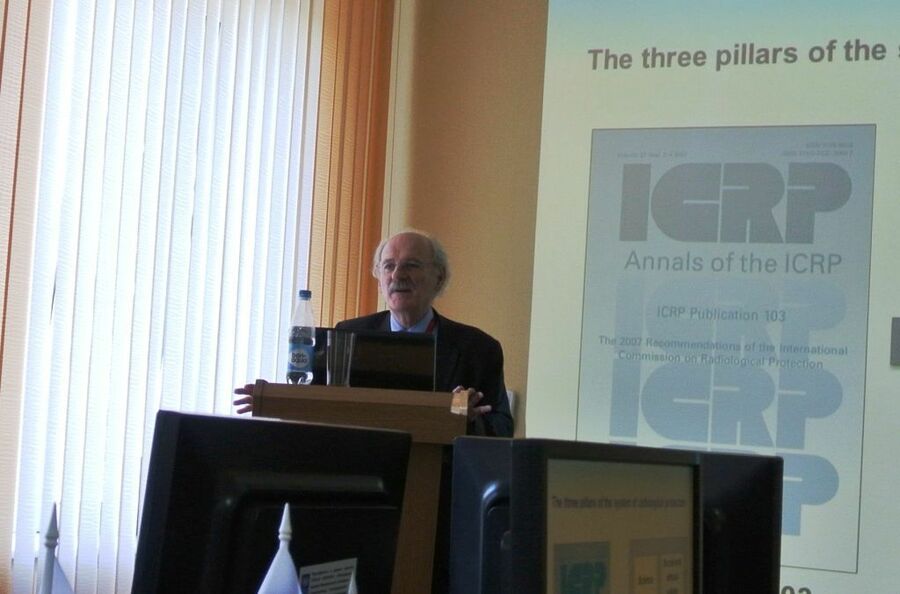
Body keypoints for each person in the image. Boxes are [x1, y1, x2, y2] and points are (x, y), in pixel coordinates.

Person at [234, 229, 514, 438]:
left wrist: (469, 420)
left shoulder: (478, 348)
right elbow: (315, 403)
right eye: (388, 266)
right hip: (360, 474)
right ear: (380, 279)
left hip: (441, 481)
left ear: (438, 278)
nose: (397, 275)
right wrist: (274, 397)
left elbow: (502, 427)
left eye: (411, 265)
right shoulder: (348, 335)